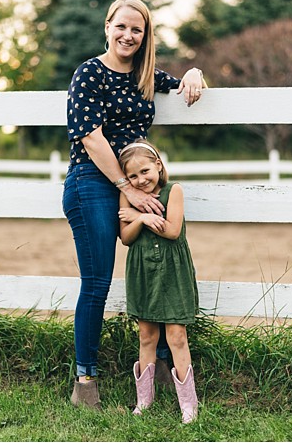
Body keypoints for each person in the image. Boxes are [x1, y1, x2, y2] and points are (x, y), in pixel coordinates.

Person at [62, 0, 206, 409]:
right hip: (93, 181)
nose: (128, 35)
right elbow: (91, 137)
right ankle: (85, 378)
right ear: (107, 26)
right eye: (121, 26)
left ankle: (161, 363)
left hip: (136, 185)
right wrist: (128, 190)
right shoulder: (89, 73)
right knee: (98, 281)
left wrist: (194, 72)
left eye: (137, 30)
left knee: (153, 267)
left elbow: (180, 84)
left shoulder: (145, 78)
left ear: (145, 37)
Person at [117, 139, 199, 423]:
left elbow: (173, 230)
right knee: (146, 336)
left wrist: (140, 215)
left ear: (158, 166)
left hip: (171, 271)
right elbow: (126, 238)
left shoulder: (173, 191)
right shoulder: (126, 196)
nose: (140, 180)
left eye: (145, 171)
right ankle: (144, 400)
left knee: (176, 336)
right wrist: (139, 221)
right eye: (132, 176)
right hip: (143, 271)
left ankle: (188, 405)